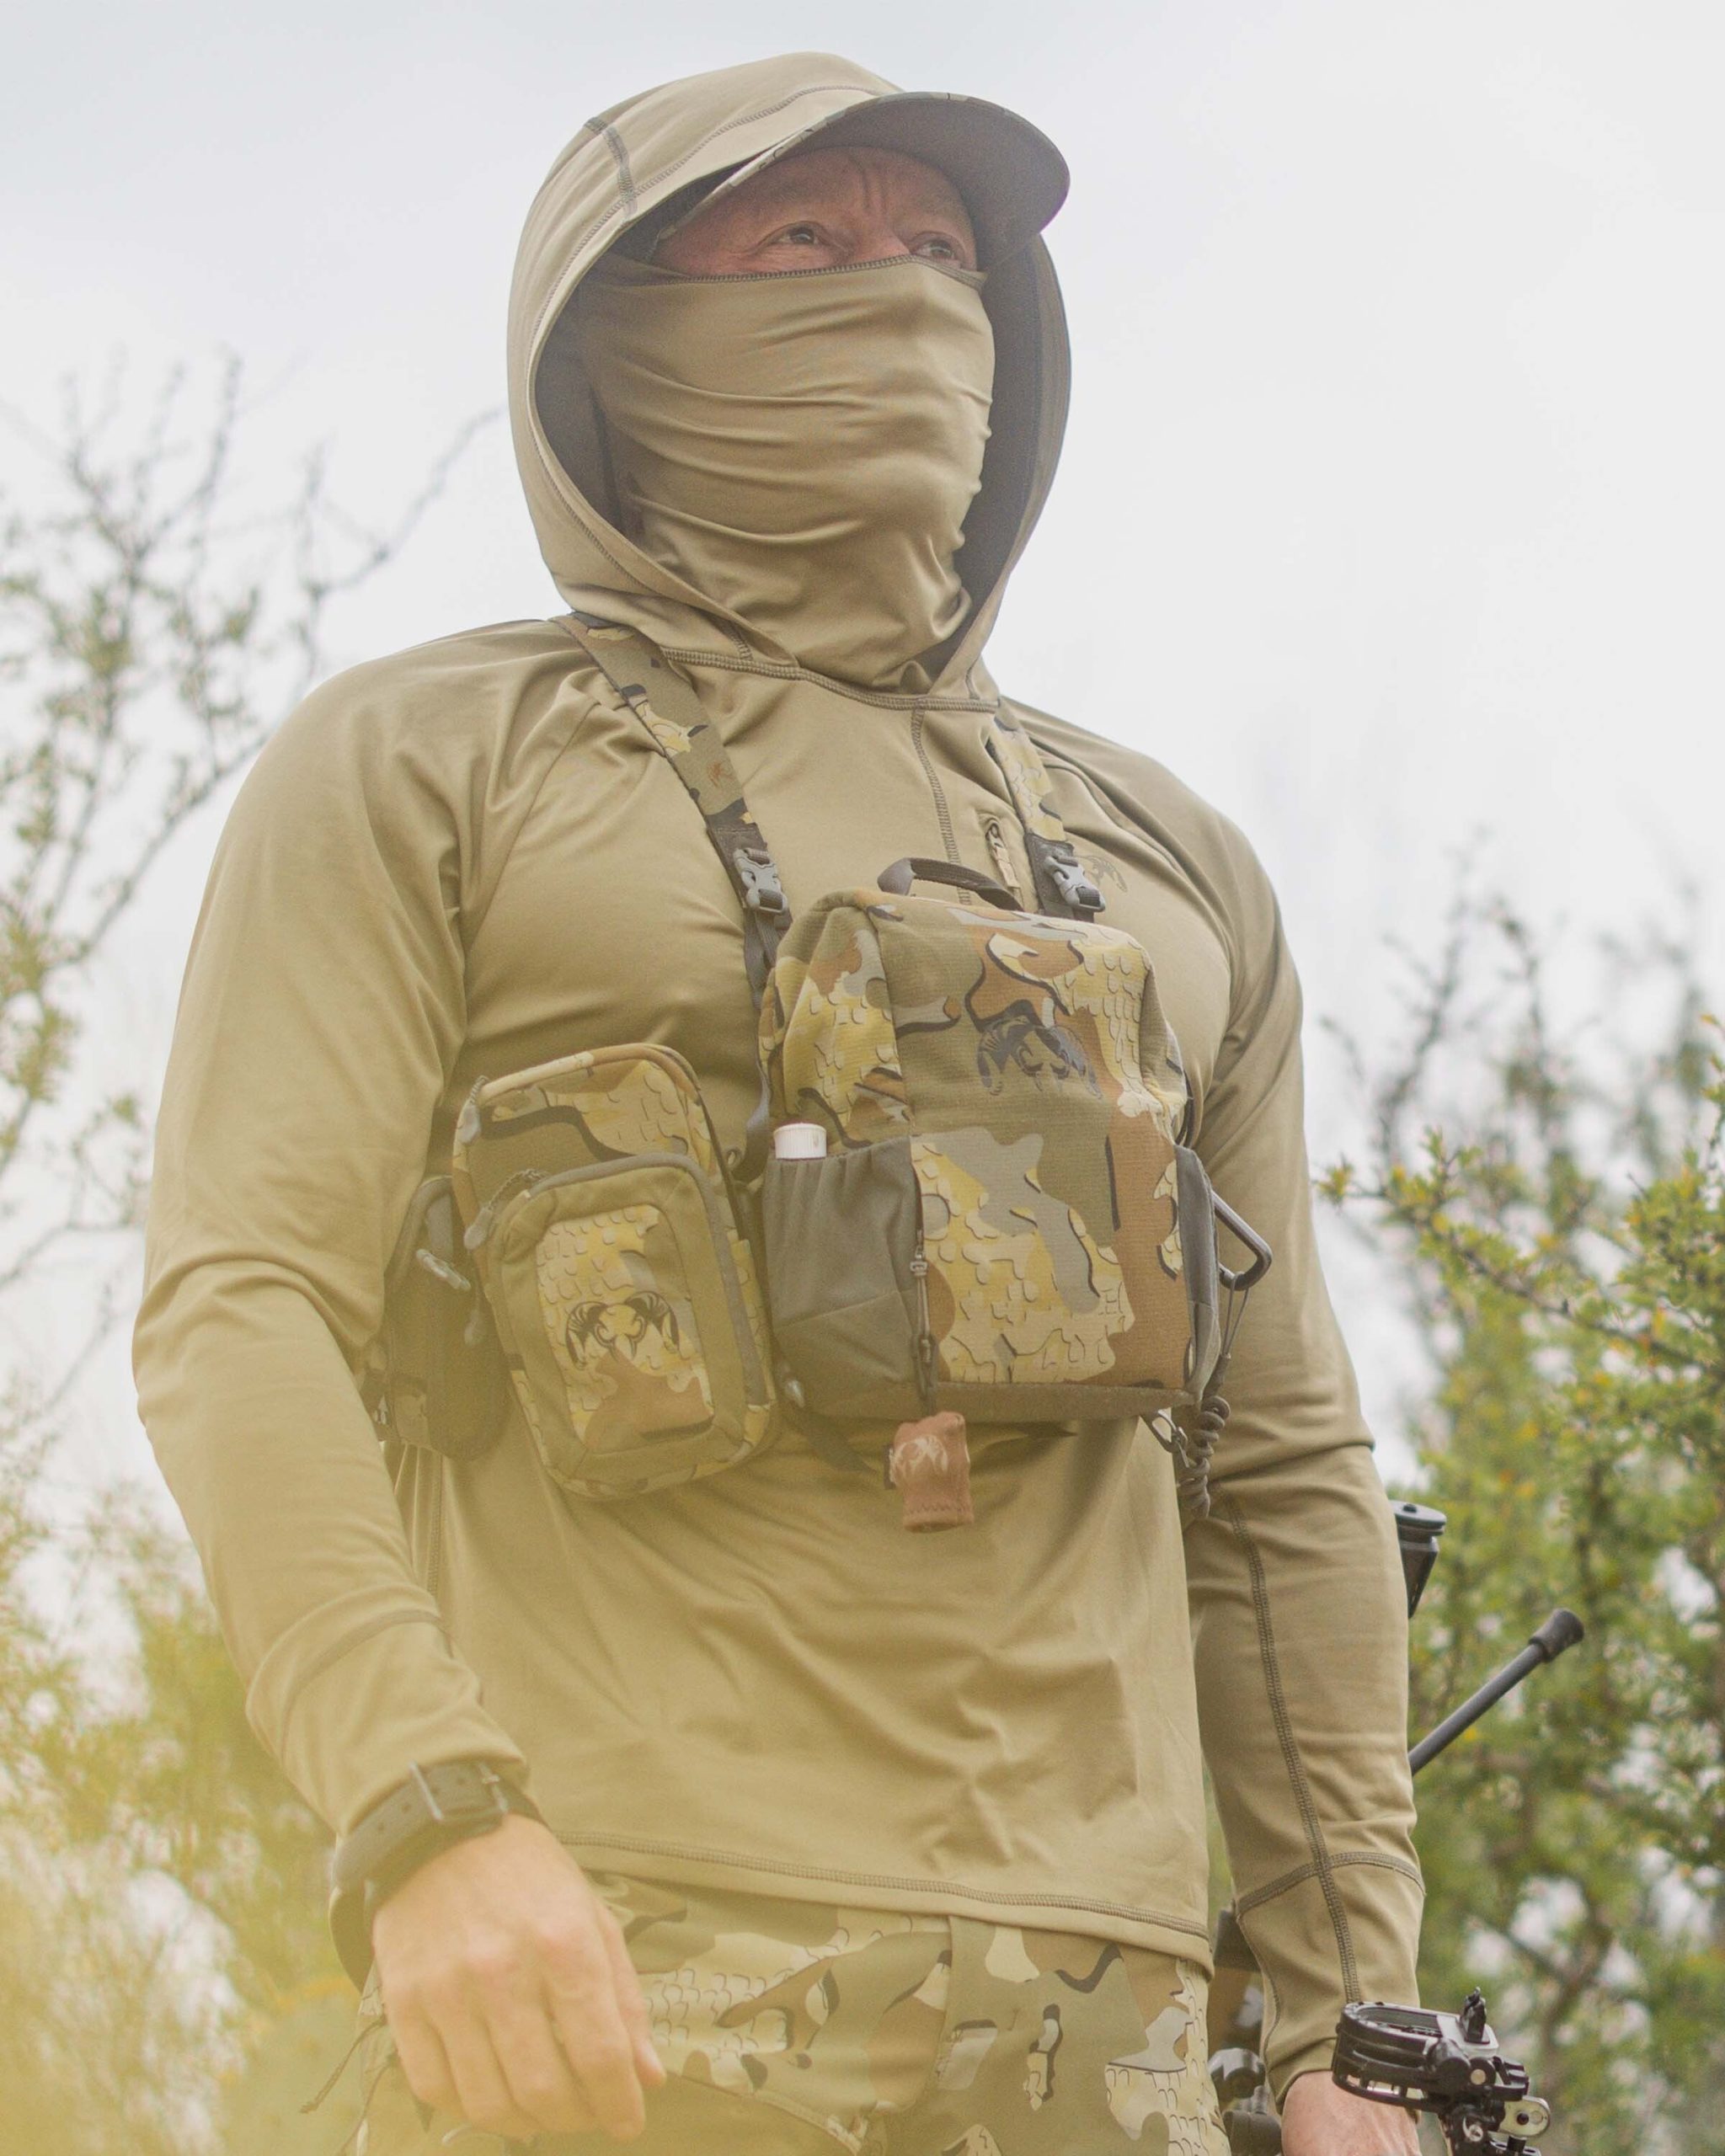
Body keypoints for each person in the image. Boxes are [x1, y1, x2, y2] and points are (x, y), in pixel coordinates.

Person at [135, 51, 1423, 2156]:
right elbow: (239, 1305)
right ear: (620, 334)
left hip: (1105, 2013)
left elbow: (1280, 1465)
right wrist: (425, 1814)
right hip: (607, 1957)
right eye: (808, 242)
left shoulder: (1171, 864)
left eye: (943, 252)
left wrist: (1350, 2020)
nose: (896, 296)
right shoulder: (430, 763)